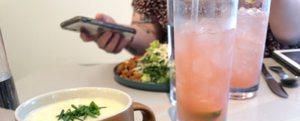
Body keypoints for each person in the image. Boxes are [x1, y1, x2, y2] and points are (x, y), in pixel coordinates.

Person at [81, 0, 300, 56]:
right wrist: (123, 35)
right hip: (186, 87)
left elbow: (289, 33)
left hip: (262, 92)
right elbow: (148, 33)